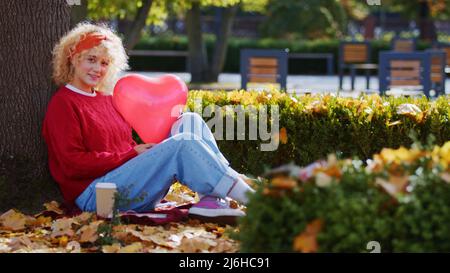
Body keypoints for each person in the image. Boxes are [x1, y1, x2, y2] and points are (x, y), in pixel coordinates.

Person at [42, 22, 254, 221]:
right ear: (73, 58)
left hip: (126, 180)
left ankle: (211, 201)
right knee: (183, 142)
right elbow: (73, 165)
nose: (98, 68)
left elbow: (124, 148)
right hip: (97, 196)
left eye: (104, 63)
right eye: (91, 59)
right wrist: (132, 154)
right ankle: (253, 200)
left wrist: (139, 153)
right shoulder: (63, 104)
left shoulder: (107, 100)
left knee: (190, 121)